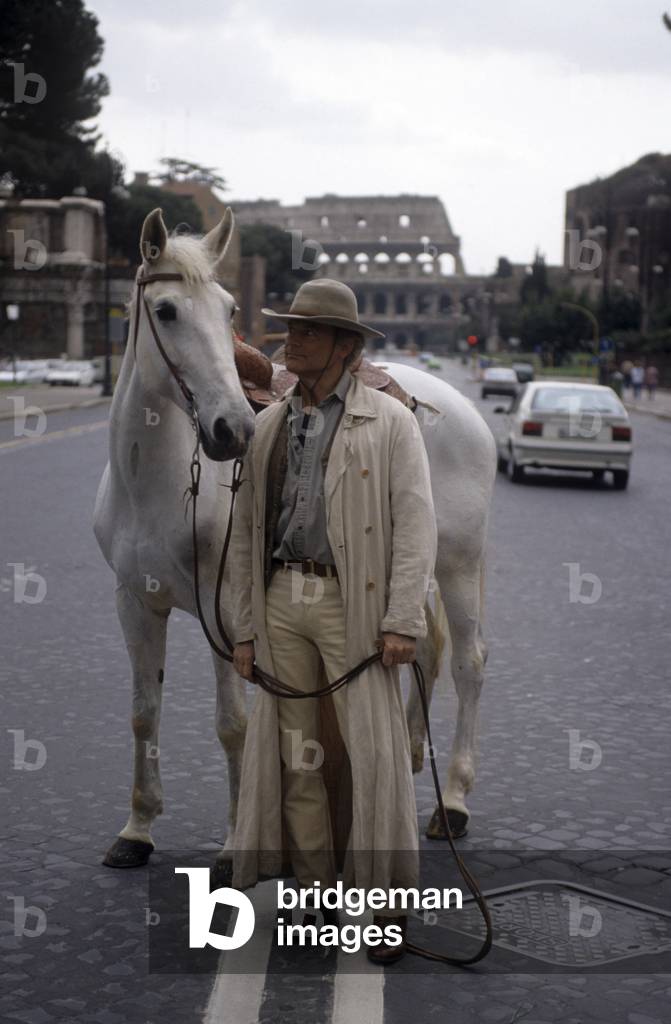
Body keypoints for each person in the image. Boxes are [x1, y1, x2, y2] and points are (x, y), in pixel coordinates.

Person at [229, 278, 437, 964]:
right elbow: (244, 532)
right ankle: (315, 890)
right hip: (284, 597)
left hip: (358, 604)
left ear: (345, 346)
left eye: (308, 331)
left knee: (373, 752)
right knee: (298, 758)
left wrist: (403, 618)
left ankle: (385, 901)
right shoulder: (269, 423)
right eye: (292, 328)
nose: (292, 340)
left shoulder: (391, 422)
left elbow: (415, 528)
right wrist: (245, 630)